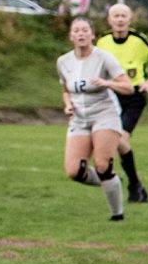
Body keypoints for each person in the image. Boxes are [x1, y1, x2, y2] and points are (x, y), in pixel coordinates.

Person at [56, 18, 134, 221]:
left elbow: (128, 87)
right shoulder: (63, 61)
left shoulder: (104, 58)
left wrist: (107, 83)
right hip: (79, 119)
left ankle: (117, 214)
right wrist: (67, 104)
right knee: (74, 171)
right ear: (71, 36)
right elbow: (65, 89)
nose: (81, 34)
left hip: (104, 115)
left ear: (92, 35)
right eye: (76, 31)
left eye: (85, 30)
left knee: (102, 164)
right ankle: (111, 182)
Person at [94, 3, 148, 203]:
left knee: (120, 140)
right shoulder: (103, 43)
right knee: (118, 142)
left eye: (123, 16)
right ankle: (136, 185)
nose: (119, 19)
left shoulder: (139, 40)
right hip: (111, 96)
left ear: (130, 19)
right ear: (109, 20)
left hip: (134, 96)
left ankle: (134, 184)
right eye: (115, 16)